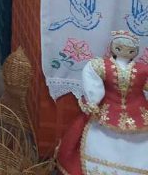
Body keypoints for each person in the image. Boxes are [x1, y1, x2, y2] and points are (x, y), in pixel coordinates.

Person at [56, 30, 148, 175]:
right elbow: (93, 84)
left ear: (135, 51)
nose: (125, 52)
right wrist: (93, 101)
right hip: (108, 110)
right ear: (113, 48)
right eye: (120, 48)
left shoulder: (142, 69)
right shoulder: (101, 65)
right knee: (101, 137)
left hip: (137, 112)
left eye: (130, 50)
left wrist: (94, 100)